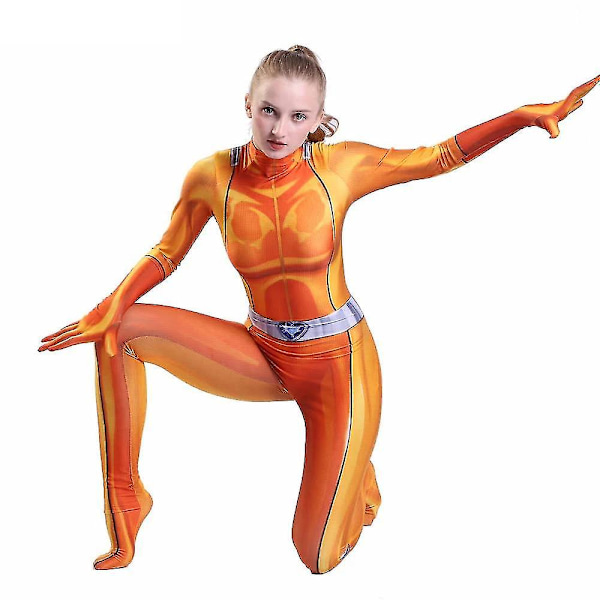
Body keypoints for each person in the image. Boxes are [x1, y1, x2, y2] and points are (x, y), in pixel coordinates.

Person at [38, 45, 599, 574]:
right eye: (269, 111)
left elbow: (438, 157)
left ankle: (356, 472)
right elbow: (167, 252)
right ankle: (126, 496)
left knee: (316, 557)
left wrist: (522, 117)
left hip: (338, 363)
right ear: (248, 105)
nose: (279, 130)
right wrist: (110, 303)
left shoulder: (340, 166)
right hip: (262, 351)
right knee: (117, 329)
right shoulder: (211, 177)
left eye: (298, 117)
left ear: (318, 120)